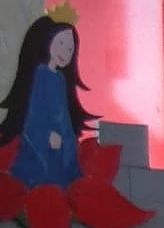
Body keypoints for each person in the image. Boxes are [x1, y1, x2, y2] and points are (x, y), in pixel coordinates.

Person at [0, 14, 98, 189]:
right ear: (48, 40)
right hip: (38, 149)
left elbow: (64, 116)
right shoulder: (39, 75)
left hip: (59, 146)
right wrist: (45, 135)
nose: (65, 52)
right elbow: (32, 113)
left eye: (70, 48)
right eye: (61, 43)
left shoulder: (60, 79)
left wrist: (68, 139)